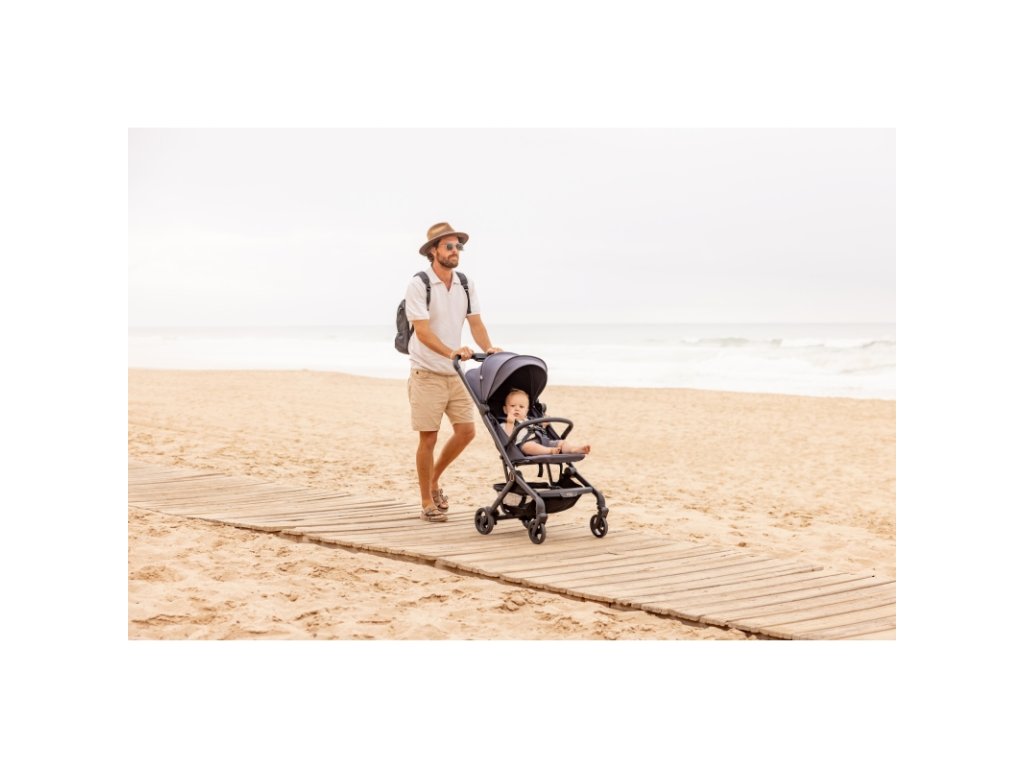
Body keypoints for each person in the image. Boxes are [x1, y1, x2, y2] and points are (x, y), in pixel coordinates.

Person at [405, 222, 502, 523]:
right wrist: (450, 352)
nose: (455, 251)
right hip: (426, 372)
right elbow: (422, 332)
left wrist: (489, 348)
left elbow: (476, 323)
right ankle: (426, 501)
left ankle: (434, 479)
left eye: (458, 246)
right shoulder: (419, 284)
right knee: (428, 439)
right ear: (433, 251)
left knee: (466, 431)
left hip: (455, 372)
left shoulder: (465, 283)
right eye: (448, 246)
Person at [501, 388, 591, 455]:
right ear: (505, 409)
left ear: (527, 411)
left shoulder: (529, 420)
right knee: (529, 446)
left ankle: (573, 449)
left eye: (521, 407)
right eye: (512, 406)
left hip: (543, 441)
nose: (517, 409)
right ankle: (550, 451)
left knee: (561, 443)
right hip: (525, 445)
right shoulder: (506, 424)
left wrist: (543, 425)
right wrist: (510, 423)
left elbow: (538, 429)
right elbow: (507, 440)